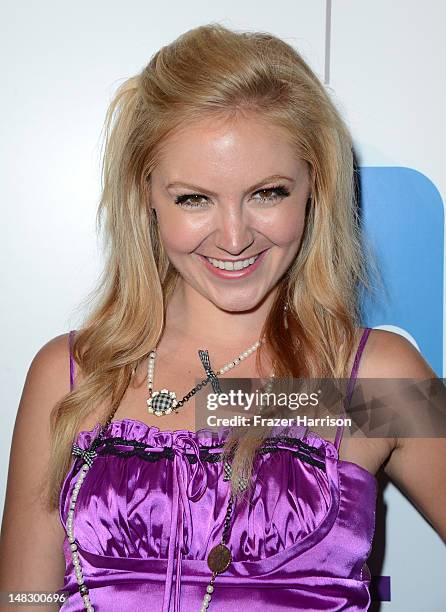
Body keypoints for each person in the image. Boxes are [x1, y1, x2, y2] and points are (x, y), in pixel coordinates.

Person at [0, 23, 444, 612]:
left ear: (316, 187)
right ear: (146, 198)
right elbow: (24, 599)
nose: (234, 238)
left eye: (267, 193)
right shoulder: (73, 375)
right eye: (194, 198)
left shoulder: (373, 379)